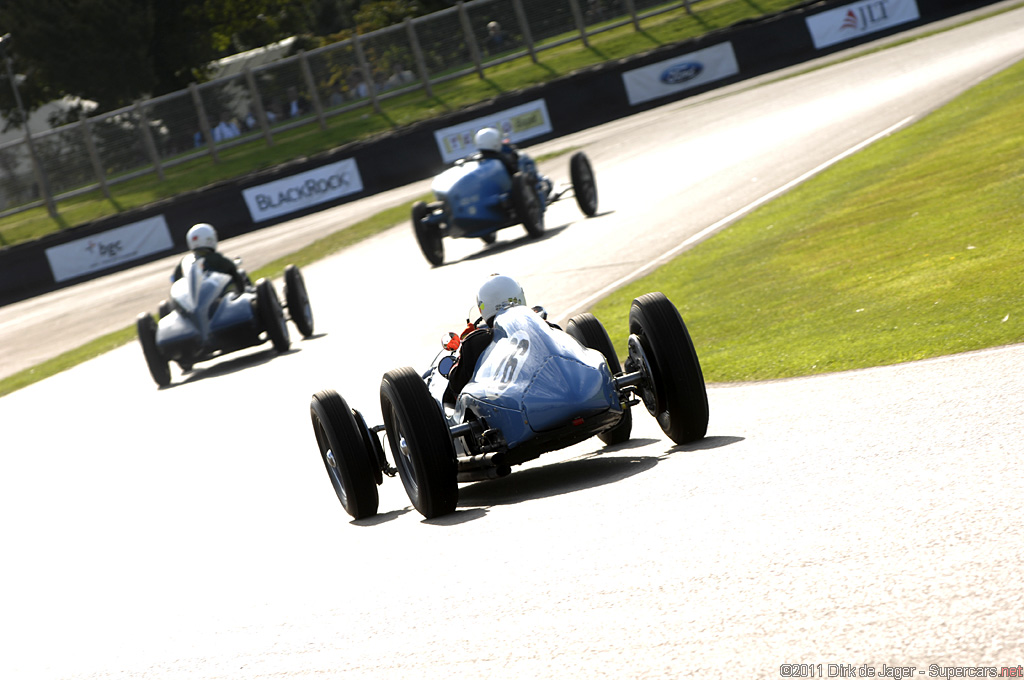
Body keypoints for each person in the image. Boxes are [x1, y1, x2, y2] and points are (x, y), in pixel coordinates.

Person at [442, 274, 527, 405]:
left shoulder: (475, 342)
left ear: (483, 307)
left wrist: (463, 348)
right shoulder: (548, 328)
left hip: (510, 403)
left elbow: (457, 383)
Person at [172, 223, 249, 292]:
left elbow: (176, 280)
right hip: (217, 299)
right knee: (241, 273)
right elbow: (232, 269)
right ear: (209, 239)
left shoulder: (185, 261)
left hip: (192, 301)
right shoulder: (216, 258)